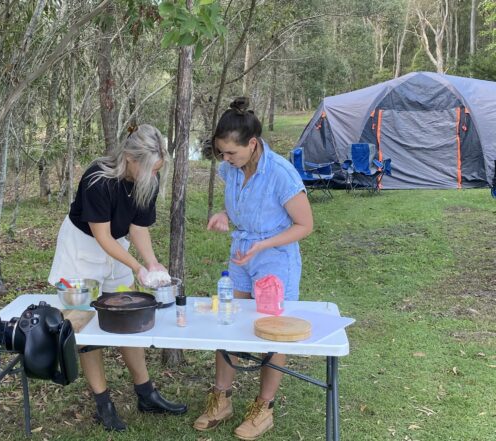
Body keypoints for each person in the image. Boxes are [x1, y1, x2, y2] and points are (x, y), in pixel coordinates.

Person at [48, 124, 187, 431]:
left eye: (157, 170)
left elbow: (137, 227)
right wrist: (137, 268)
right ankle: (103, 404)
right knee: (83, 324)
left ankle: (145, 392)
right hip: (81, 252)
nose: (152, 177)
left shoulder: (148, 177)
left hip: (118, 249)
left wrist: (151, 263)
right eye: (148, 169)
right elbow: (102, 236)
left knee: (128, 314)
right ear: (129, 158)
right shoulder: (98, 179)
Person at [192, 98, 313, 440]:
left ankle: (264, 408)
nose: (225, 160)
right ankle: (222, 399)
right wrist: (224, 215)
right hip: (242, 253)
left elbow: (304, 225)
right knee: (228, 319)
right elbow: (239, 206)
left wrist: (263, 245)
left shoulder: (280, 173)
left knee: (271, 329)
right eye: (221, 153)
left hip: (275, 256)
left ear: (253, 144)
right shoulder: (230, 167)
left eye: (231, 153)